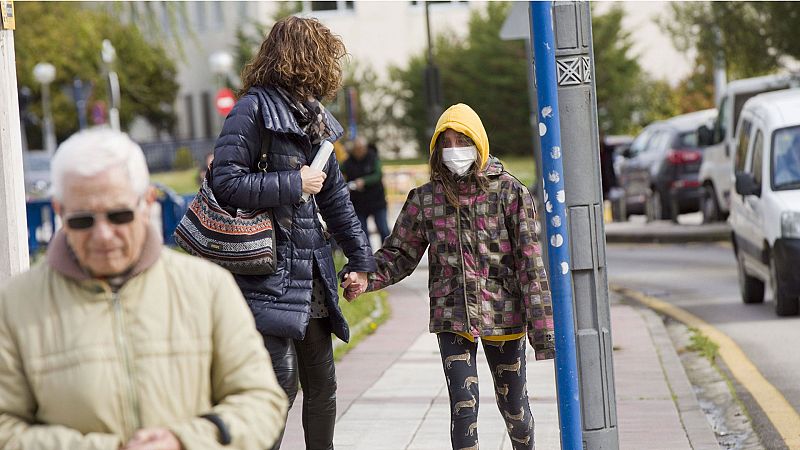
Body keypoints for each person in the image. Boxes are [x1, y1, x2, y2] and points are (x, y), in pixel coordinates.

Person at [0, 128, 288, 450]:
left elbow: (262, 401)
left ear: (148, 202)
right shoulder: (16, 305)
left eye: (119, 215)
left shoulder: (207, 288)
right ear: (59, 212)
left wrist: (184, 441)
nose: (104, 235)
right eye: (82, 220)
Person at [342, 104, 554, 450]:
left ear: (479, 142)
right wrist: (366, 277)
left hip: (504, 317)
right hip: (452, 317)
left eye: (462, 140)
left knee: (514, 409)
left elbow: (531, 265)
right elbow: (399, 253)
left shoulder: (510, 194)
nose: (455, 150)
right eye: (447, 142)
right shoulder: (426, 200)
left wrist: (544, 334)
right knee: (463, 409)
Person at [210, 16, 376, 450]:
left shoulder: (315, 117)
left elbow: (336, 198)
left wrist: (361, 262)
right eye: (324, 56)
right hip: (263, 268)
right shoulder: (251, 110)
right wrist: (293, 183)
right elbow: (224, 182)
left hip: (311, 271)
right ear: (304, 59)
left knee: (323, 384)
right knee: (279, 386)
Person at [341, 136, 391, 246]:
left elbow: (378, 175)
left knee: (383, 229)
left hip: (377, 201)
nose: (358, 151)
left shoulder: (373, 158)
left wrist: (364, 181)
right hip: (358, 203)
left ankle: (388, 254)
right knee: (362, 232)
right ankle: (368, 258)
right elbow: (338, 171)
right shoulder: (348, 162)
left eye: (361, 148)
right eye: (356, 149)